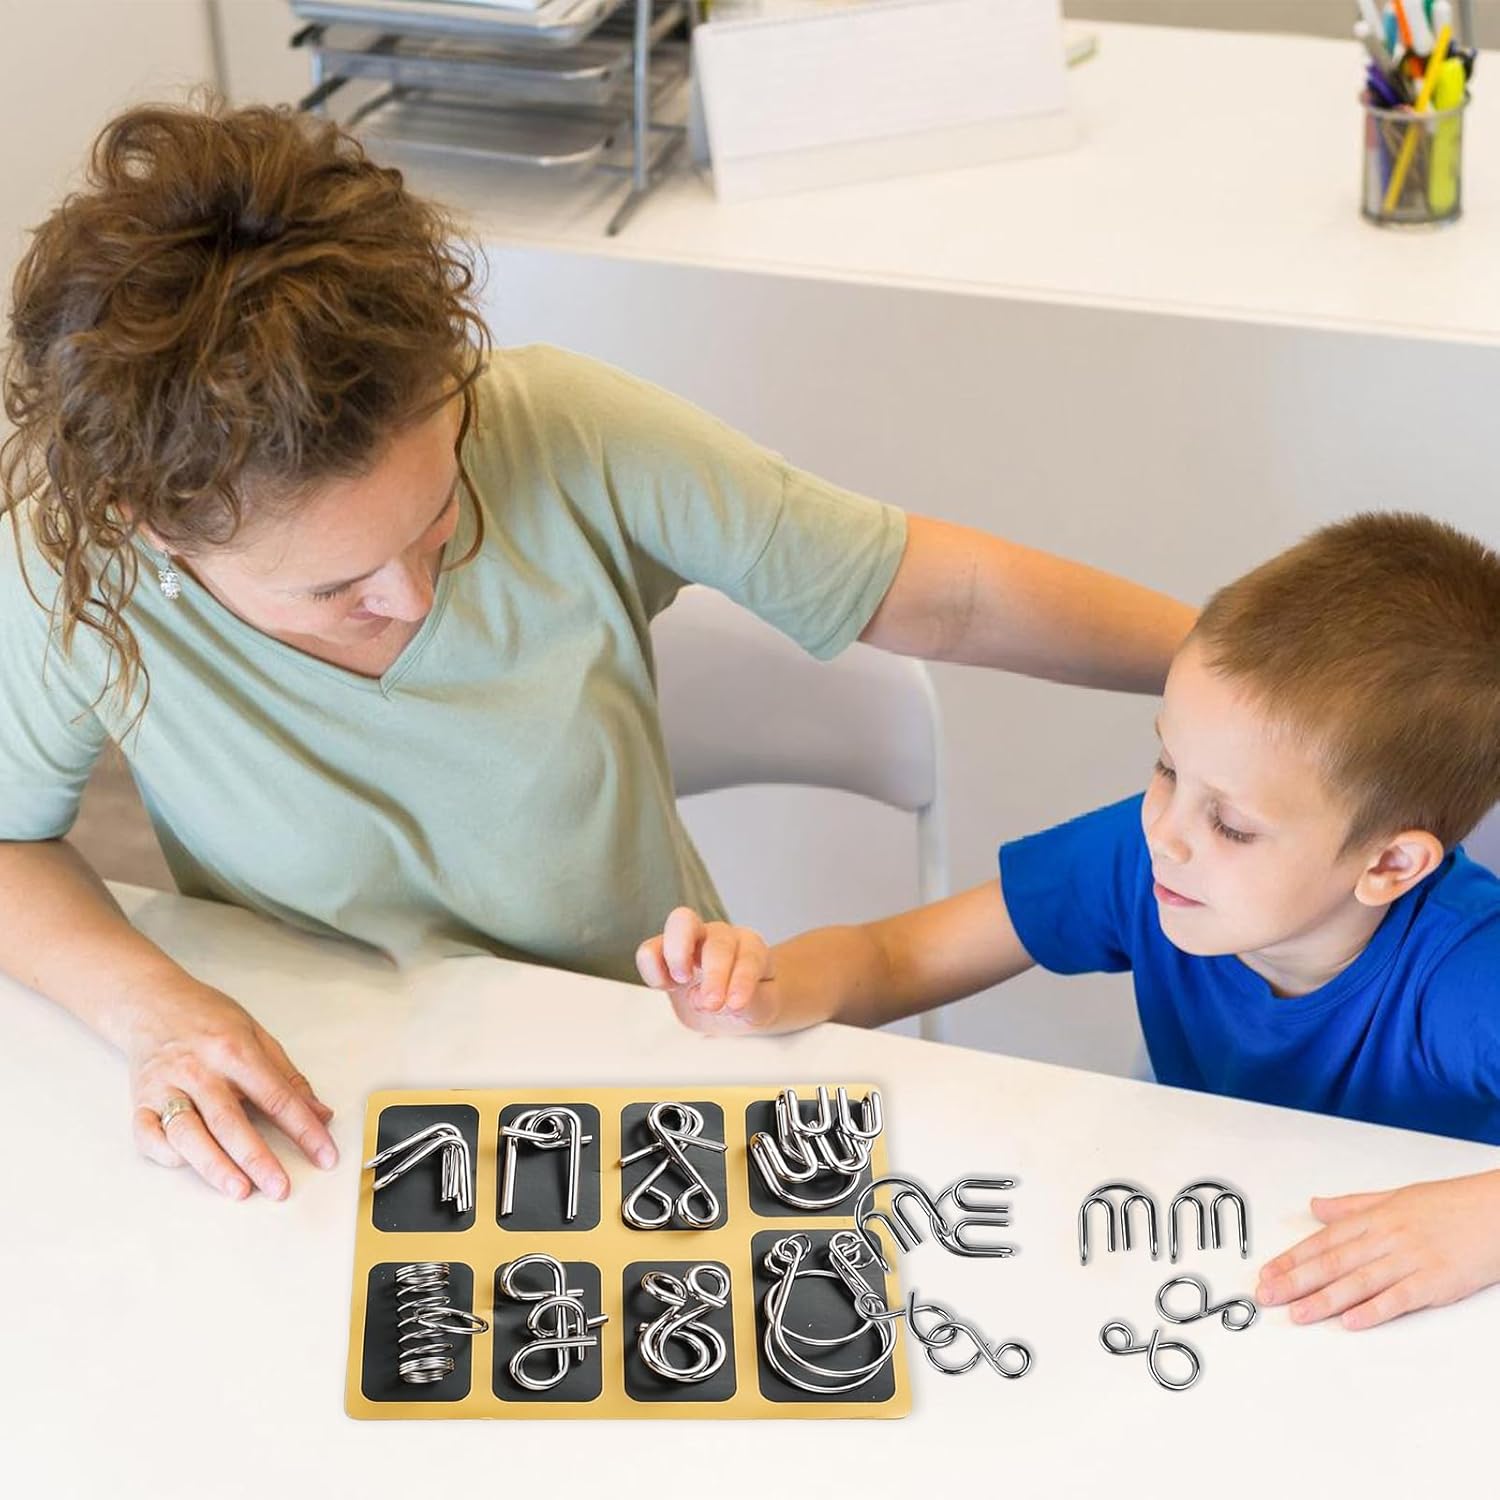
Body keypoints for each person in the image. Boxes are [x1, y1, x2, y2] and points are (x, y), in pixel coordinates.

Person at [0, 99, 1194, 1204]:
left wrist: (1235, 669)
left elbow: (942, 595)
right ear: (153, 530)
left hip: (645, 1070)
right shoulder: (68, 565)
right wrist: (150, 1007)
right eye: (334, 588)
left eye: (439, 516)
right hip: (318, 1102)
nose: (411, 598)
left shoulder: (563, 428)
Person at [638, 512, 1500, 1330]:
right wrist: (765, 987)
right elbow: (896, 956)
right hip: (1222, 1254)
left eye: (1231, 824)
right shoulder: (1147, 858)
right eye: (1167, 767)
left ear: (1390, 866)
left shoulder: (1470, 970)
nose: (1164, 832)